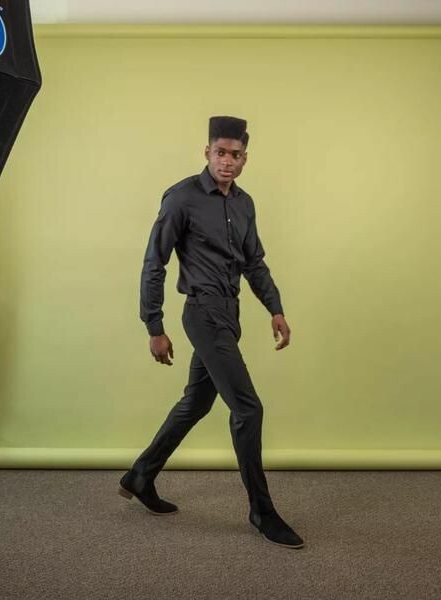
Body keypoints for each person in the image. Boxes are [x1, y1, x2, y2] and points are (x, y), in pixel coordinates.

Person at [118, 116, 304, 549]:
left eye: (235, 155)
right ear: (207, 152)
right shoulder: (181, 197)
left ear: (245, 158)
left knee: (196, 402)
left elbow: (254, 262)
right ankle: (262, 512)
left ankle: (140, 475)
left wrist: (275, 308)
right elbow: (155, 262)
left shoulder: (244, 204)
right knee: (248, 409)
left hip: (230, 313)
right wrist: (154, 325)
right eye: (220, 152)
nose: (227, 161)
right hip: (202, 314)